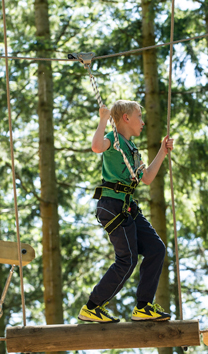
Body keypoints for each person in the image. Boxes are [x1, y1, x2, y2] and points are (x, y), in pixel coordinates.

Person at [78, 100, 174, 323]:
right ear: (126, 118)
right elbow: (96, 146)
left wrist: (162, 151)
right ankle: (92, 306)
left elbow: (147, 177)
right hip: (112, 205)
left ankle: (143, 306)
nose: (142, 122)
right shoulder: (113, 139)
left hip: (127, 207)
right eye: (139, 116)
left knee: (156, 249)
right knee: (127, 259)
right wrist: (103, 119)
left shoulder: (132, 149)